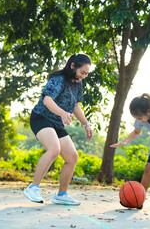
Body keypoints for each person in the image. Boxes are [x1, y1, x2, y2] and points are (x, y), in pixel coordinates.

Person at [24, 54, 93, 206]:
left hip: (57, 123)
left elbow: (75, 106)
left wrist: (86, 124)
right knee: (54, 149)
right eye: (82, 72)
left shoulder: (78, 84)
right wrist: (62, 113)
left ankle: (62, 194)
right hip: (41, 118)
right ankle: (33, 187)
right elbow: (47, 100)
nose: (84, 76)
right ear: (73, 66)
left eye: (86, 74)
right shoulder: (58, 79)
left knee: (72, 157)